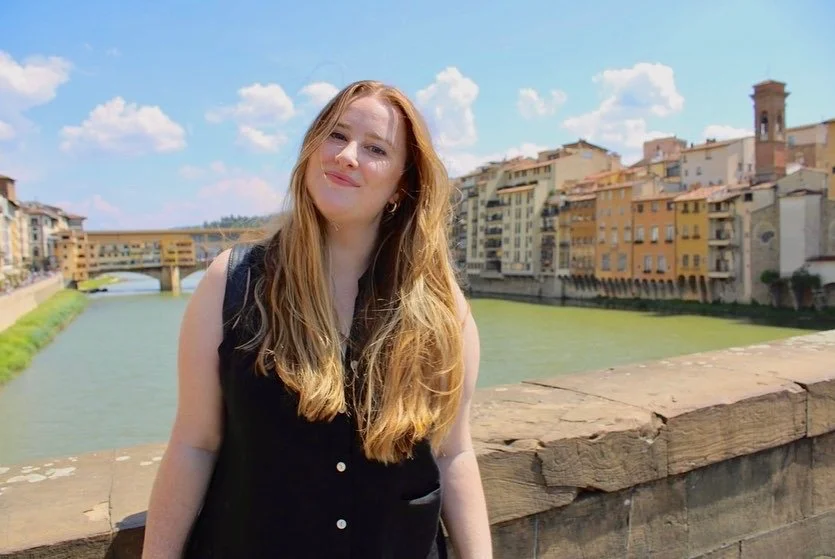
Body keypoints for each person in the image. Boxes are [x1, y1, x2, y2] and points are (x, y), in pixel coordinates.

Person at [141, 80, 492, 558]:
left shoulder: (441, 306)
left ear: (401, 185)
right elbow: (194, 444)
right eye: (335, 135)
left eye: (374, 148)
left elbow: (453, 453)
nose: (347, 155)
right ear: (310, 151)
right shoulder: (232, 282)